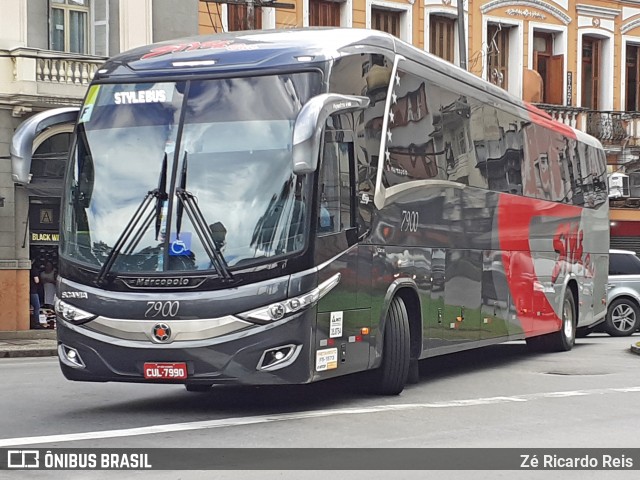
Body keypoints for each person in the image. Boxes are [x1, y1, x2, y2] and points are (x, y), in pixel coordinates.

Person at [29, 260, 42, 329]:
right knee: (37, 307)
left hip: (27, 290)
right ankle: (37, 323)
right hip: (33, 291)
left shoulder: (27, 270)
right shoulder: (34, 270)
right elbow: (37, 280)